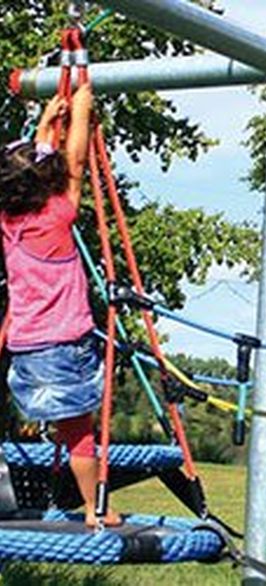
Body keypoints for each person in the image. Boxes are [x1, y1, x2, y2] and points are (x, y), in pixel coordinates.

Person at [0, 83, 121, 527]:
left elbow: (36, 166)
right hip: (62, 344)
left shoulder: (9, 221)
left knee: (68, 429)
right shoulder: (58, 215)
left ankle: (88, 503)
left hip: (26, 346)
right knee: (80, 435)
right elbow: (73, 163)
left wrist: (46, 125)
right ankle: (94, 509)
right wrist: (83, 110)